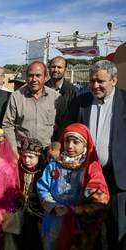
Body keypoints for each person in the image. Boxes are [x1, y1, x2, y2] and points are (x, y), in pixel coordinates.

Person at [67, 60, 126, 249]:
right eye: (92, 81)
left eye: (100, 81)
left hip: (117, 180)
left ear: (114, 80)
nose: (95, 86)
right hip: (87, 179)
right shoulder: (79, 103)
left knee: (118, 231)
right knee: (89, 232)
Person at [37, 123, 110, 250]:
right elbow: (42, 186)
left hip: (77, 223)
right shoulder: (55, 164)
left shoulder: (90, 170)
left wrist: (73, 210)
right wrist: (53, 206)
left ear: (85, 144)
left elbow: (99, 201)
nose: (70, 146)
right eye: (67, 141)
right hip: (54, 218)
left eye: (75, 142)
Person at [2, 61, 67, 157]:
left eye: (38, 75)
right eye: (30, 75)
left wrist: (57, 148)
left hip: (47, 153)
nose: (34, 79)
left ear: (45, 77)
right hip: (23, 153)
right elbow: (7, 125)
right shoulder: (16, 97)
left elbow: (63, 125)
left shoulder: (56, 98)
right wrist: (13, 150)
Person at [17, 137, 46, 250]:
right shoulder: (18, 168)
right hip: (19, 211)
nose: (26, 160)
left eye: (30, 157)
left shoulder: (44, 171)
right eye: (24, 156)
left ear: (39, 157)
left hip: (37, 213)